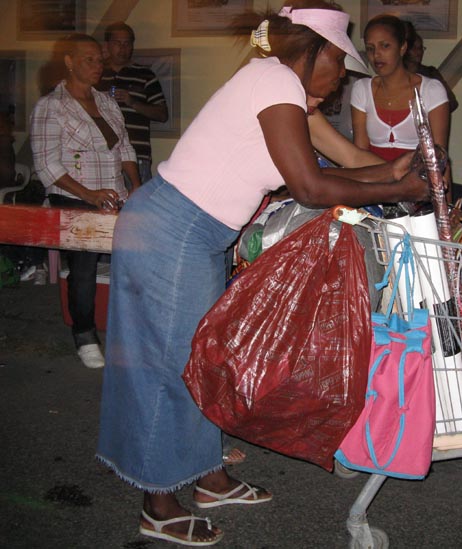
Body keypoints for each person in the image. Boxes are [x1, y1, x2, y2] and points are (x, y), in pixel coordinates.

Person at [96, 2, 429, 546]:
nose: (342, 75)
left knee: (203, 358)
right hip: (173, 230)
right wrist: (398, 190)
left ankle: (208, 476)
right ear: (314, 51)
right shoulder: (273, 80)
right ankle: (159, 501)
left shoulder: (287, 93)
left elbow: (347, 159)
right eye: (339, 62)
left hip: (192, 232)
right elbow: (310, 187)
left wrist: (402, 168)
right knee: (169, 366)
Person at [30, 33, 140, 369]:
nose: (98, 66)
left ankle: (128, 328)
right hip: (74, 197)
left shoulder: (106, 102)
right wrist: (88, 195)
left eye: (100, 60)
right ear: (69, 61)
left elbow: (124, 148)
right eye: (89, 59)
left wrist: (136, 186)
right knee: (84, 264)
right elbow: (47, 164)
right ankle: (84, 334)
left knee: (134, 257)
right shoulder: (51, 106)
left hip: (111, 194)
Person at [351, 14, 450, 162]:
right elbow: (359, 156)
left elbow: (439, 158)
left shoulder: (431, 90)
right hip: (374, 182)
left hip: (418, 182)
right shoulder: (362, 89)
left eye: (385, 46)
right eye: (370, 48)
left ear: (402, 47)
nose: (376, 55)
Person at [97, 21, 168, 184]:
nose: (123, 48)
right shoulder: (96, 74)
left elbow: (163, 115)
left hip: (137, 157)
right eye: (117, 43)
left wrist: (132, 102)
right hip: (101, 159)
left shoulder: (145, 75)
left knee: (136, 209)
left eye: (127, 43)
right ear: (107, 45)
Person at [403, 20, 458, 113]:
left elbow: (451, 103)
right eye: (414, 48)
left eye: (420, 48)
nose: (419, 52)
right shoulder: (398, 74)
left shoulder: (431, 73)